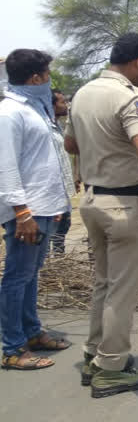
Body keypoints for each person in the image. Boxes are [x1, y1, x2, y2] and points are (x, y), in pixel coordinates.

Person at [64, 33, 138, 396]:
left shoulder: (82, 93)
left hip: (92, 202)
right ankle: (111, 367)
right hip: (124, 205)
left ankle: (95, 355)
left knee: (103, 283)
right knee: (123, 291)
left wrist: (100, 151)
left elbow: (70, 143)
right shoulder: (128, 96)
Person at [0, 49, 72, 370]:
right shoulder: (10, 113)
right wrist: (22, 213)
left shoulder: (37, 110)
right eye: (47, 74)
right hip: (26, 211)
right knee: (17, 277)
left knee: (30, 274)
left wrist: (56, 204)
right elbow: (6, 166)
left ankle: (31, 331)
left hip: (44, 206)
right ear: (35, 78)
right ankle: (12, 348)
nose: (49, 80)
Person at [50, 89, 78, 254]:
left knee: (62, 231)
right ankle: (47, 274)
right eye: (62, 102)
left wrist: (73, 178)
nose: (66, 105)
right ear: (52, 105)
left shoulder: (59, 125)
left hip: (63, 190)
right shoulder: (45, 127)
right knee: (49, 235)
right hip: (53, 192)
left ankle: (59, 268)